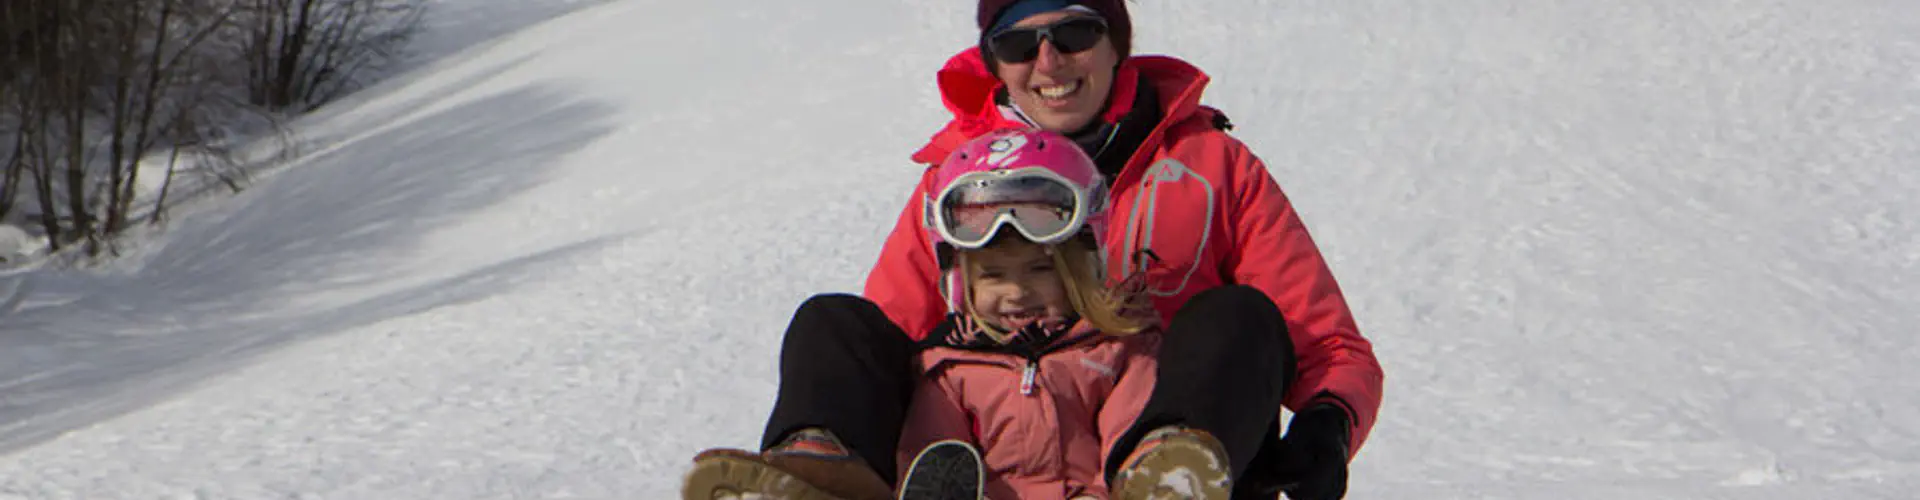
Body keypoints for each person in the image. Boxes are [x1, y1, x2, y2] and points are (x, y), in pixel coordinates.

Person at [683, 1, 1384, 498]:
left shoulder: (1209, 166)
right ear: (996, 64)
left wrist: (1326, 422)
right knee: (835, 323)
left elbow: (1324, 342)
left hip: (1157, 435)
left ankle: (1167, 477)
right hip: (1000, 455)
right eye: (1020, 45)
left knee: (1235, 316)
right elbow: (894, 341)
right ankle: (821, 476)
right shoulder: (958, 185)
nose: (1048, 62)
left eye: (1074, 33)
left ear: (1114, 43)